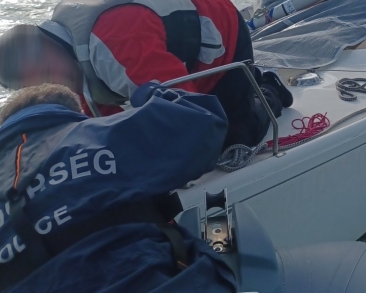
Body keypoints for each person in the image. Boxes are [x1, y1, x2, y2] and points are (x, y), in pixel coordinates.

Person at [0, 83, 236, 292]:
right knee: (223, 226)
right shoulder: (102, 134)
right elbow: (204, 120)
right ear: (73, 112)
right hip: (156, 281)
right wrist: (150, 91)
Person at [0, 0, 292, 149]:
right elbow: (103, 123)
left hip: (224, 33)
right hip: (174, 57)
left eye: (48, 74)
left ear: (45, 45)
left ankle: (267, 88)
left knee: (232, 139)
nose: (56, 86)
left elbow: (194, 117)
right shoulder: (68, 54)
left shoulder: (117, 43)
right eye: (42, 84)